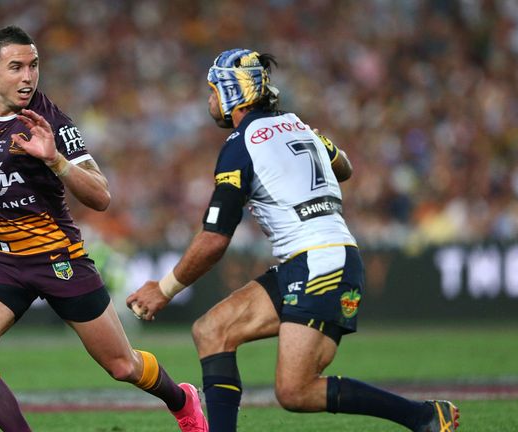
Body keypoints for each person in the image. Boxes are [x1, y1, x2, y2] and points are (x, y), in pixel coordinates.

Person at [126, 48, 460, 432]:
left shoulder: (240, 144)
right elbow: (345, 168)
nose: (210, 99)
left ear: (234, 93)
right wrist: (320, 148)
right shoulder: (300, 126)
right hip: (315, 258)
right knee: (211, 330)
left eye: (215, 89)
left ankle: (422, 417)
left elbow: (215, 239)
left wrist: (164, 289)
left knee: (295, 391)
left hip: (320, 263)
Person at [0, 25, 207, 432]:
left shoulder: (50, 121)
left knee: (122, 365)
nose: (28, 76)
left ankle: (182, 398)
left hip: (58, 258)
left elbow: (101, 196)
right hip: (1, 260)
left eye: (34, 66)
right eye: (16, 67)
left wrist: (56, 161)